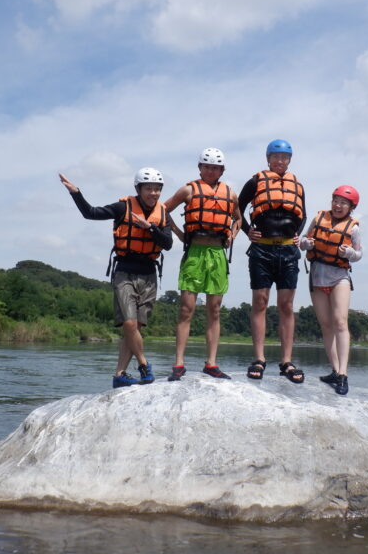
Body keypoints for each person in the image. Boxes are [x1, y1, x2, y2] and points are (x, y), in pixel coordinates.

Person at [59, 168, 173, 388]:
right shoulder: (124, 207)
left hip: (149, 274)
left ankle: (119, 374)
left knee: (136, 328)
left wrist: (149, 228)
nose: (154, 193)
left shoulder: (163, 213)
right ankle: (144, 365)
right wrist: (76, 193)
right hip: (125, 272)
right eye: (149, 188)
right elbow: (91, 213)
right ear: (138, 189)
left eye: (157, 189)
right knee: (129, 323)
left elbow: (167, 244)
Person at [163, 148, 242, 381]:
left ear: (222, 170)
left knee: (214, 310)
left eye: (215, 167)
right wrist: (178, 232)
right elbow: (163, 210)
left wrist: (232, 234)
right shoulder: (188, 190)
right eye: (207, 166)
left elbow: (238, 219)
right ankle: (178, 363)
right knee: (186, 308)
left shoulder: (230, 193)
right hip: (195, 252)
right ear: (200, 168)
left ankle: (211, 363)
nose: (211, 171)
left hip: (217, 253)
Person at [237, 139, 307, 383]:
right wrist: (247, 230)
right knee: (260, 301)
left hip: (288, 251)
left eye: (284, 157)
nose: (280, 160)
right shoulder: (256, 181)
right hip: (262, 250)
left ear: (289, 160)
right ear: (268, 158)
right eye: (275, 156)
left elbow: (303, 214)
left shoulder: (297, 184)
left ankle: (286, 361)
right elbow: (238, 207)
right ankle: (259, 358)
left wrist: (297, 234)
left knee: (287, 305)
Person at [299, 185, 362, 395]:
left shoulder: (353, 228)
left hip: (339, 278)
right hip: (318, 276)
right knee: (326, 325)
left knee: (340, 322)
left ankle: (343, 374)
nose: (338, 205)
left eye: (343, 203)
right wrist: (307, 243)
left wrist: (350, 253)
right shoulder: (318, 219)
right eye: (336, 200)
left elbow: (359, 254)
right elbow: (303, 242)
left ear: (351, 207)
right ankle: (334, 370)